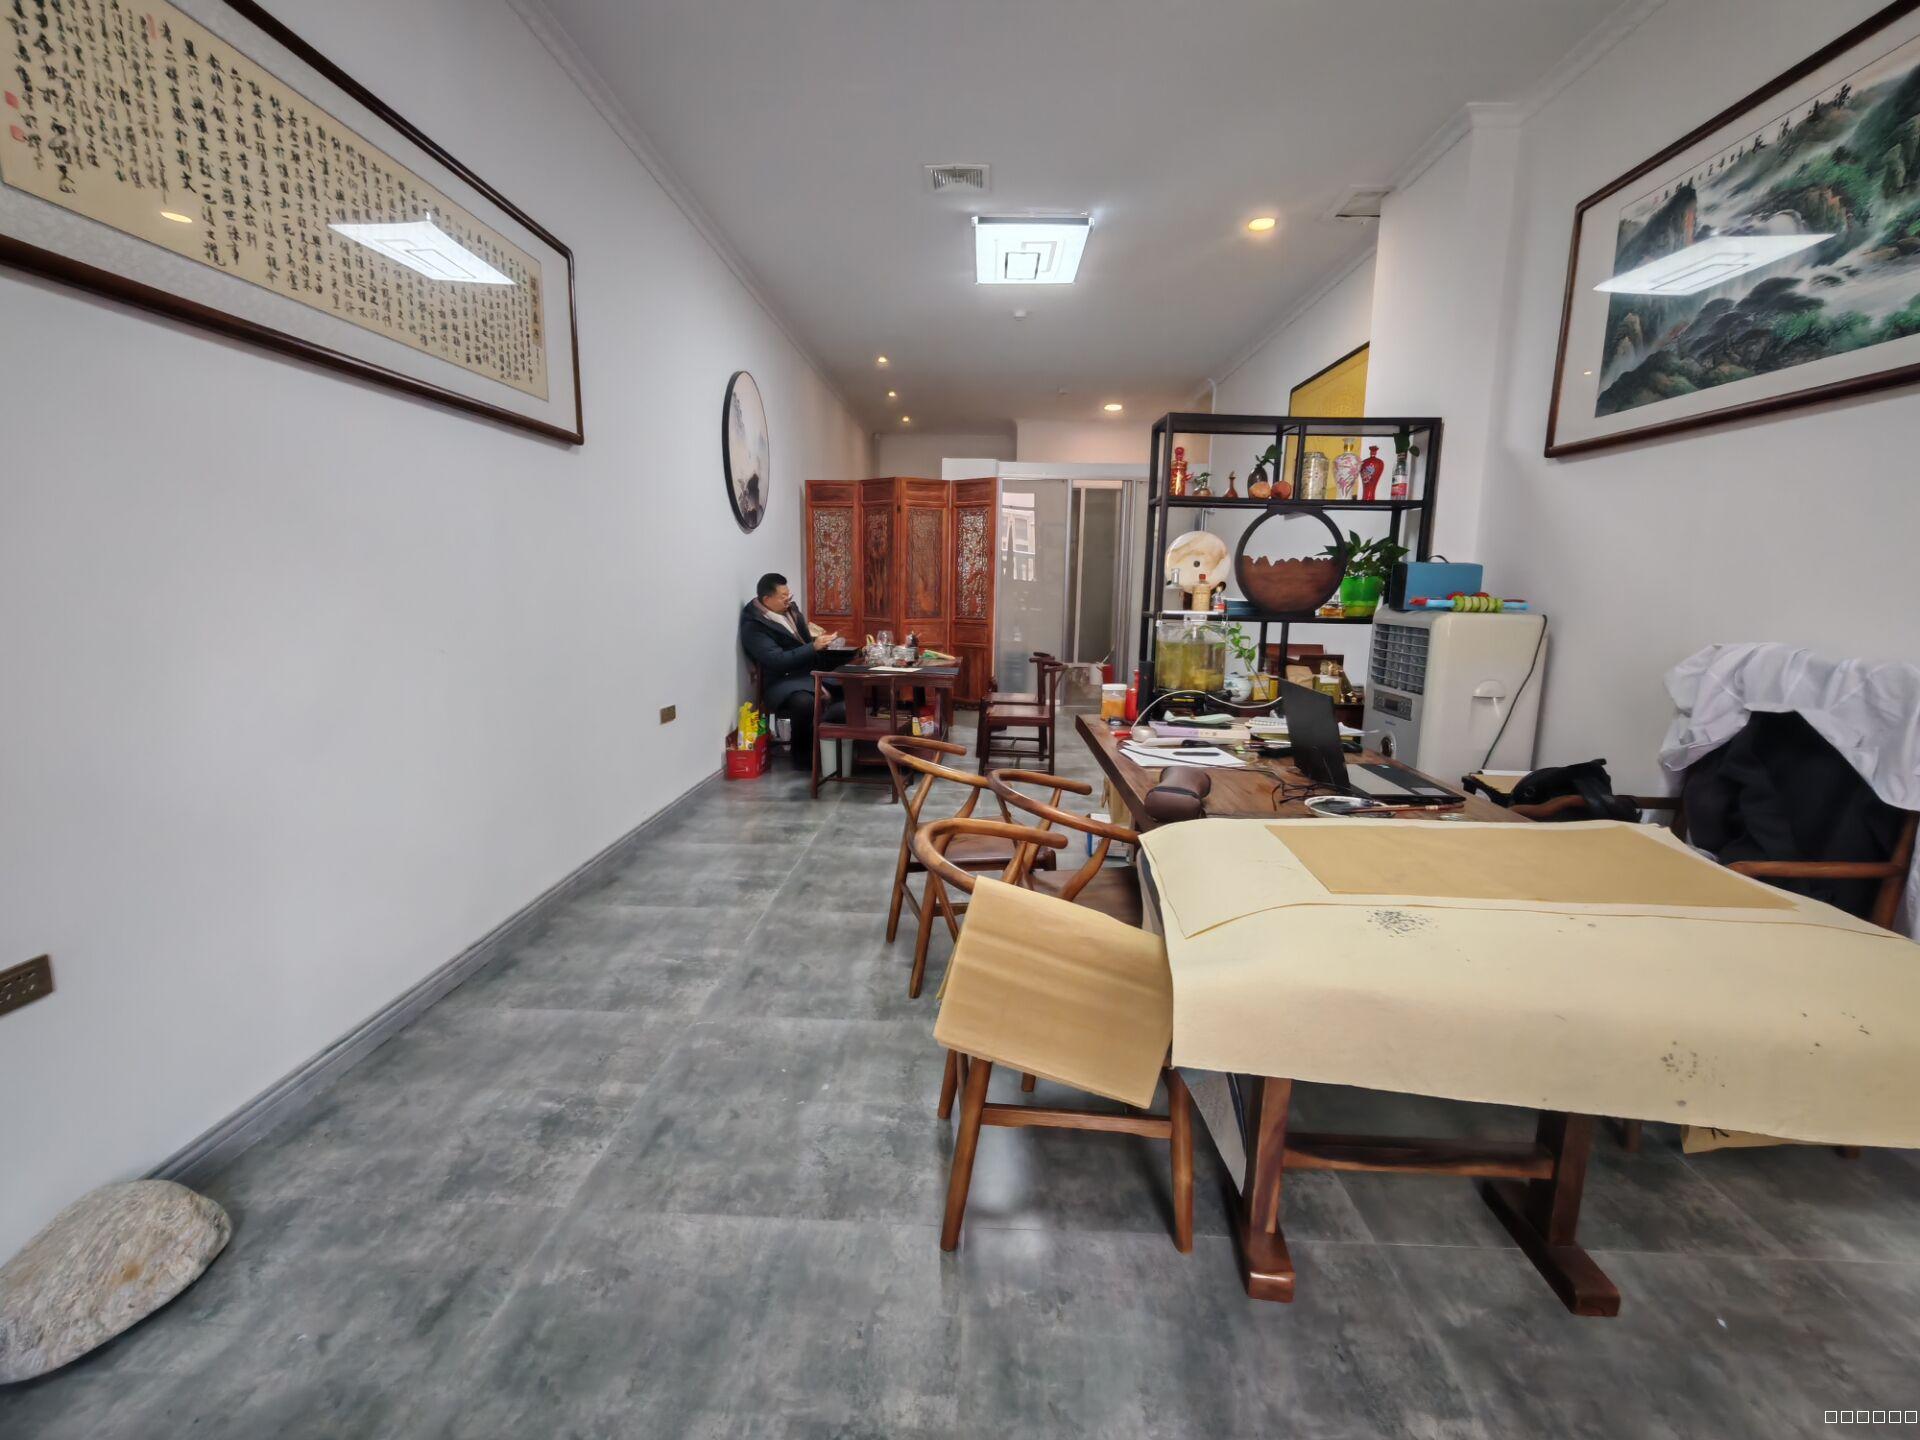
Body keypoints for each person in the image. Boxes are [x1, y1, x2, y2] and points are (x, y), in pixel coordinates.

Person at [740, 573, 845, 767]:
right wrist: (813, 647)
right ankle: (804, 758)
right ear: (767, 599)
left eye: (788, 595)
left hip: (805, 673)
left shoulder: (790, 611)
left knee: (847, 689)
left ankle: (837, 750)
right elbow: (777, 660)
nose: (788, 600)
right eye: (783, 597)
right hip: (780, 682)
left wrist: (820, 643)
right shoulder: (754, 625)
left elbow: (803, 642)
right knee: (804, 702)